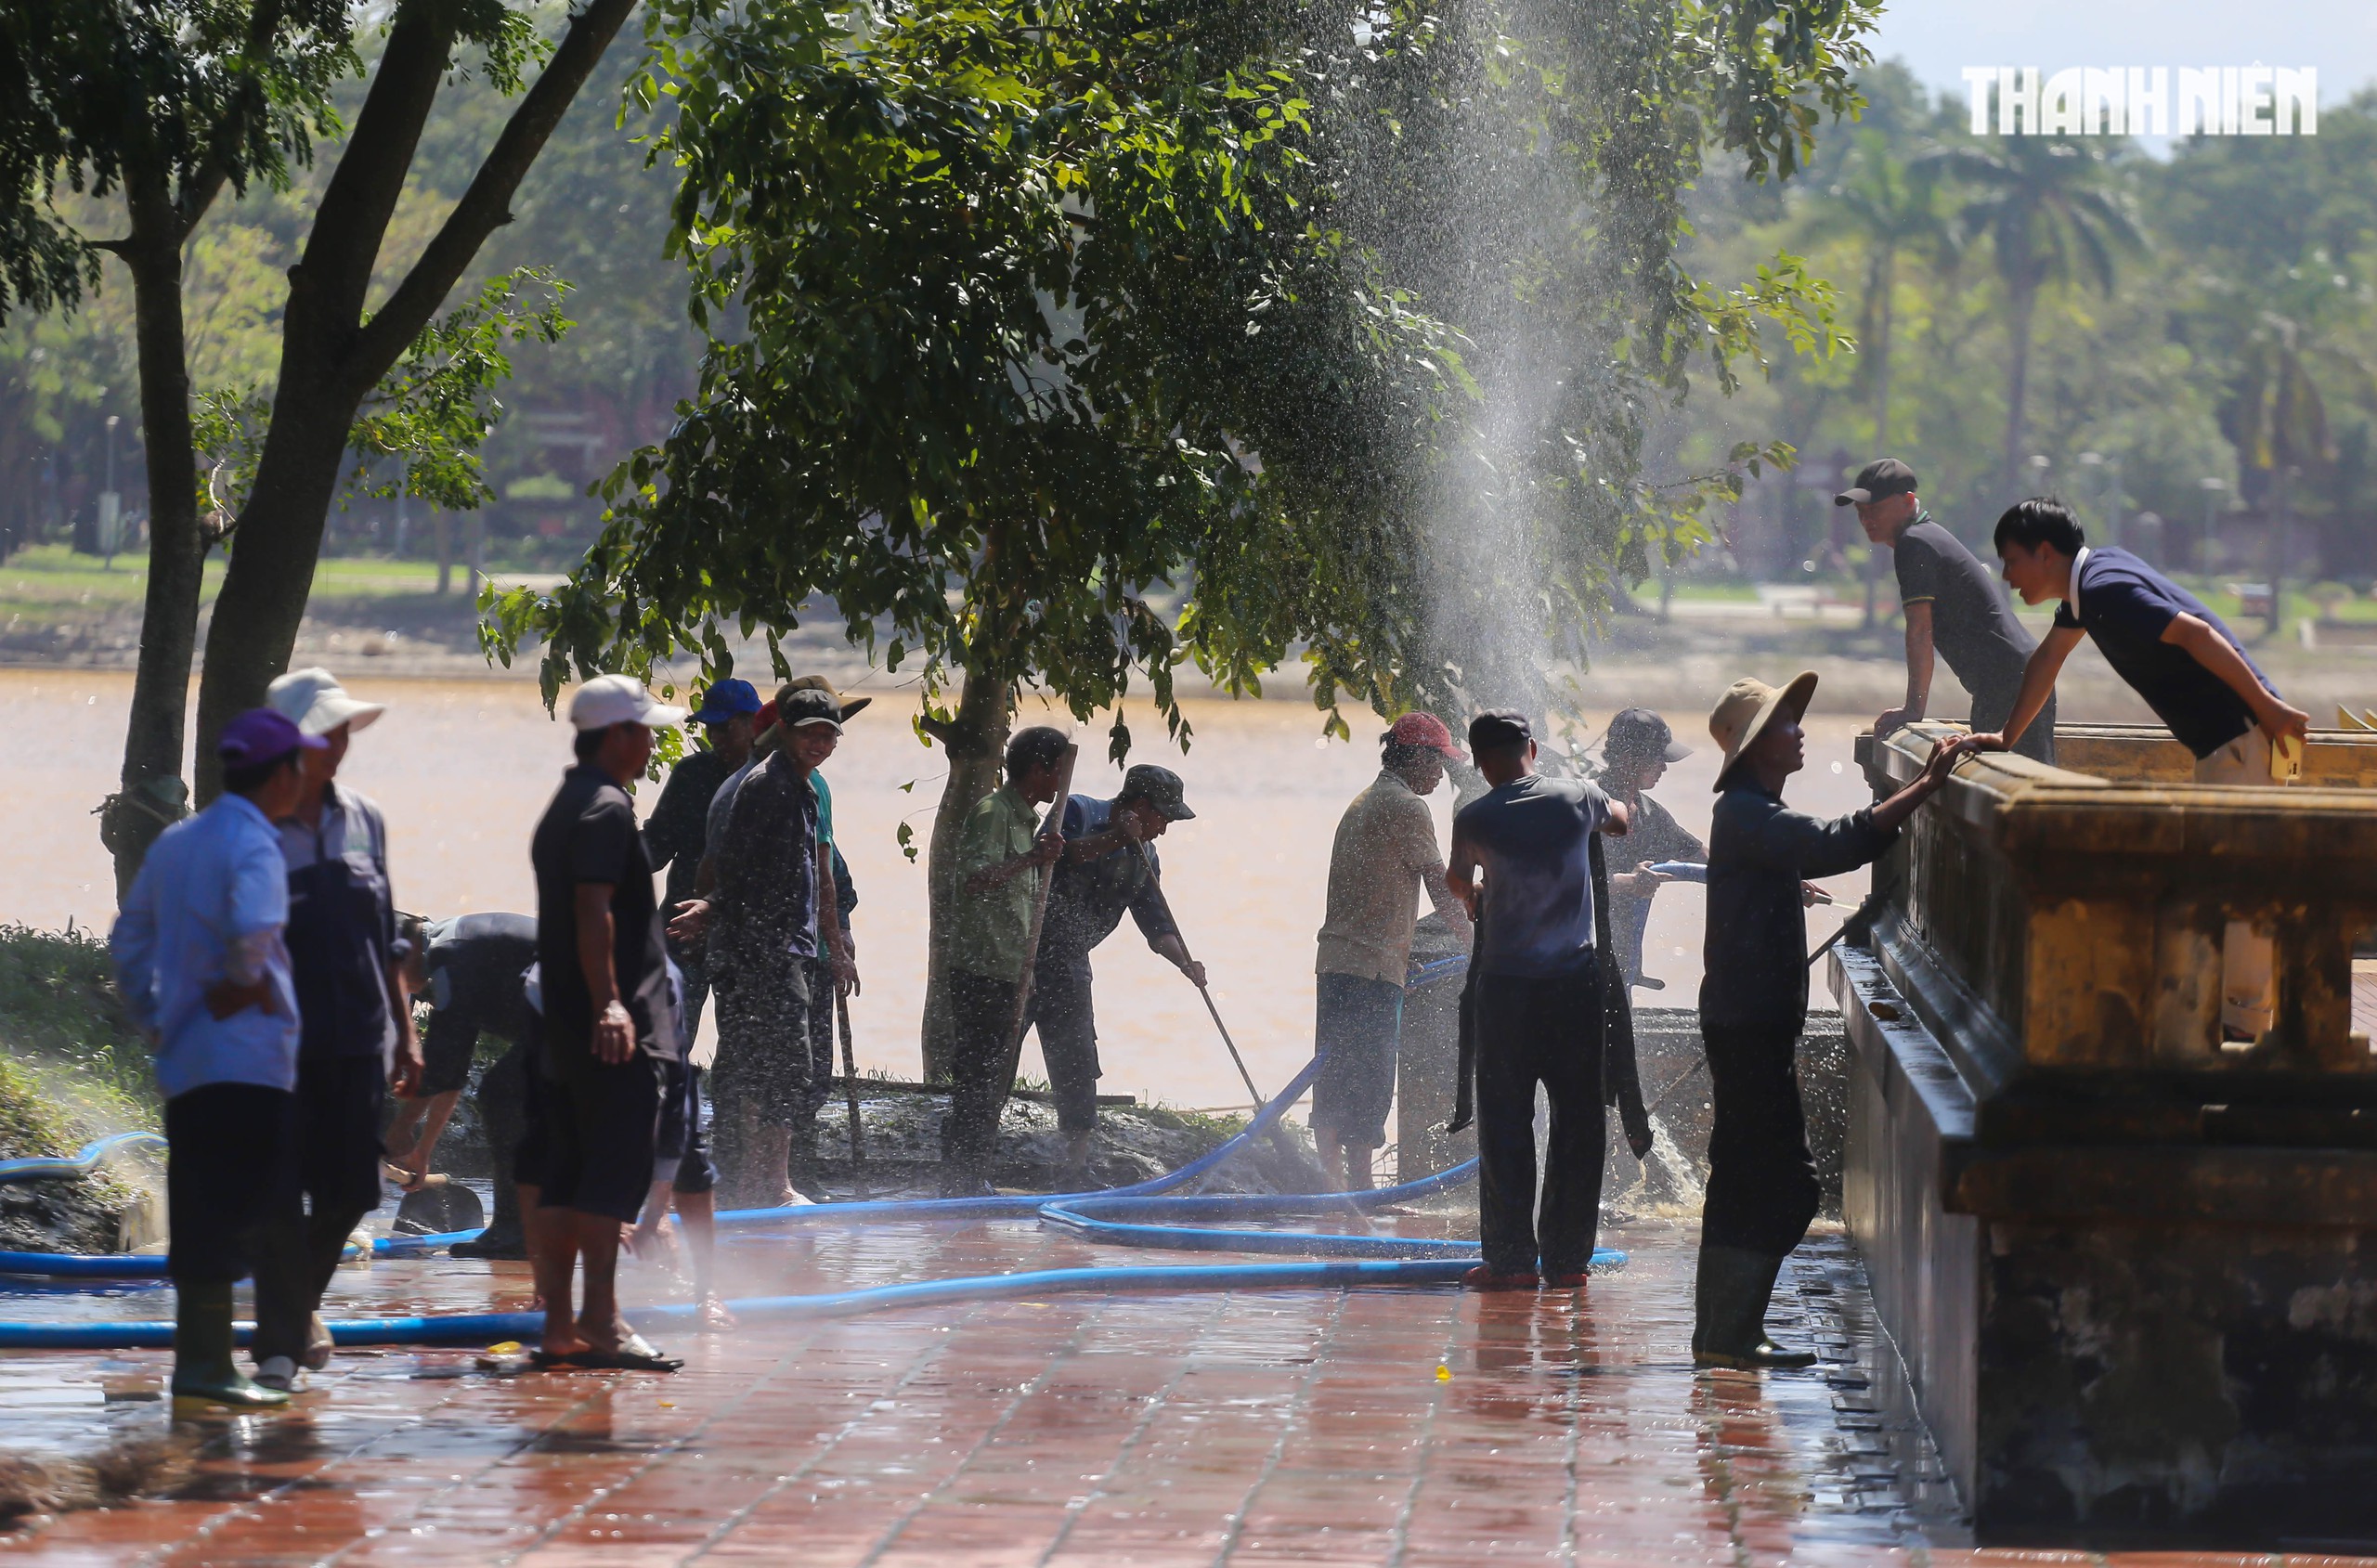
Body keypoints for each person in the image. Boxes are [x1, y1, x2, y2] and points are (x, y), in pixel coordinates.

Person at [1695, 672, 1967, 1368]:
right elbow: (1837, 841)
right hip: (1749, 1022)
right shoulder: (1749, 811)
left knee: (1743, 1177)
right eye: (1788, 722)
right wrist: (1926, 787)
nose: (1800, 730)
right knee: (1785, 1185)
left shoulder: (1750, 813)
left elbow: (1808, 851)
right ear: (1759, 747)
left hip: (1748, 1018)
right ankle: (1729, 1331)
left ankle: (1724, 1332)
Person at [1973, 498, 2311, 1040]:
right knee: (2222, 878)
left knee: (2238, 883)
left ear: (2044, 552)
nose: (2007, 576)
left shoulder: (2105, 591)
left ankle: (2244, 1022)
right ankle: (2236, 1014)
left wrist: (2269, 710)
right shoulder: (2093, 586)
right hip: (2228, 742)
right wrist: (2006, 737)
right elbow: (2048, 659)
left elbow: (2196, 635)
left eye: (2011, 561)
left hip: (2242, 737)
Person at [110, 709, 325, 1409]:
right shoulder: (258, 845)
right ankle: (245, 1356)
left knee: (201, 1205)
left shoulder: (176, 843)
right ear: (282, 774)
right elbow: (255, 938)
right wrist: (233, 995)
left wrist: (156, 1015)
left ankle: (201, 1362)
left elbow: (130, 936)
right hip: (250, 1057)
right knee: (261, 1201)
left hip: (188, 1060)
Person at [247, 669, 422, 1393]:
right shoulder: (255, 824)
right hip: (277, 1039)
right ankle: (279, 1338)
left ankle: (294, 1309)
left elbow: (386, 936)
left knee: (354, 1189)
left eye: (345, 728)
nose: (341, 742)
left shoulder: (364, 817)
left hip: (359, 1034)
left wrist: (406, 1033)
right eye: (327, 731)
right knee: (281, 1189)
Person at [526, 673, 688, 1372]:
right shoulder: (606, 811)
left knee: (566, 1167)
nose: (652, 741)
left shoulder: (565, 804)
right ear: (618, 736)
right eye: (645, 729)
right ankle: (602, 1316)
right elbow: (595, 910)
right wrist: (613, 1003)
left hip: (565, 1021)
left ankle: (561, 1324)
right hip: (610, 1023)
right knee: (609, 1169)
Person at [1445, 709, 1633, 1291]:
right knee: (1579, 1123)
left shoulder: (1473, 817)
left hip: (1504, 992)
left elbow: (1457, 880)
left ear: (1479, 762)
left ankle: (1510, 1262)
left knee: (1505, 1124)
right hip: (1573, 991)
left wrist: (1477, 890)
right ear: (1532, 747)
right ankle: (1569, 1261)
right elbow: (1622, 824)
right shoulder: (1577, 797)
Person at [705, 687, 857, 1206]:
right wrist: (713, 907)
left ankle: (759, 1181)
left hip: (781, 944)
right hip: (761, 946)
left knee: (770, 1063)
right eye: (810, 732)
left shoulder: (800, 788)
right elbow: (734, 867)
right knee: (784, 1065)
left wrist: (834, 940)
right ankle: (773, 1184)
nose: (820, 743)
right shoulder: (766, 788)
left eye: (828, 734)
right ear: (785, 732)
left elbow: (821, 873)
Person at [1311, 713, 1474, 1189]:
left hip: (1341, 959)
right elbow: (1443, 890)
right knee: (1370, 1080)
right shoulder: (1407, 806)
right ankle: (1358, 1194)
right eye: (1439, 764)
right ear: (1418, 758)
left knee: (1335, 1075)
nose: (1442, 776)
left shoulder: (1365, 800)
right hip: (1373, 969)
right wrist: (1476, 946)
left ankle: (1334, 1190)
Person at [1035, 763, 1206, 1184]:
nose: (1164, 829)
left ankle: (1074, 1166)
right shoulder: (1075, 812)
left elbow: (1157, 926)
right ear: (1141, 807)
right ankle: (969, 1159)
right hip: (1022, 952)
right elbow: (1057, 856)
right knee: (998, 1056)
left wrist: (1185, 961)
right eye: (1163, 817)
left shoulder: (1145, 855)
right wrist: (1116, 838)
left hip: (1071, 959)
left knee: (1078, 1060)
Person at [1838, 459, 2057, 764]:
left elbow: (1919, 630)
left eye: (1874, 509)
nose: (1866, 518)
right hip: (2015, 678)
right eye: (1861, 512)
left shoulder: (1914, 543)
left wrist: (1913, 710)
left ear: (1908, 502)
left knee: (2016, 789)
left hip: (2009, 682)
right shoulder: (1925, 536)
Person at [941, 725, 1070, 1195]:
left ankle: (972, 1174)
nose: (1059, 784)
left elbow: (1020, 907)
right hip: (981, 971)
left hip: (1010, 971)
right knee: (977, 1080)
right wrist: (1031, 859)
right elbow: (974, 880)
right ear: (1037, 770)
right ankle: (959, 1179)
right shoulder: (994, 813)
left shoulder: (1024, 820)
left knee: (994, 1080)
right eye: (1057, 773)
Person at [390, 913, 540, 1259]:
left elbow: (443, 1059)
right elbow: (453, 1071)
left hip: (598, 1008)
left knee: (503, 1093)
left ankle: (514, 1232)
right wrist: (423, 1151)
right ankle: (525, 1226)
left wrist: (401, 1128)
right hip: (569, 1018)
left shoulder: (449, 954)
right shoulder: (453, 956)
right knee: (507, 1093)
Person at [642, 678, 762, 1040]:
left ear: (752, 723)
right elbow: (658, 844)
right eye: (711, 729)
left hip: (747, 928)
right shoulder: (691, 774)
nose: (717, 739)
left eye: (725, 728)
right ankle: (660, 1093)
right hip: (683, 925)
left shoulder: (775, 779)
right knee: (669, 1031)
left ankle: (739, 1096)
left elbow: (814, 857)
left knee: (746, 1040)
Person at [1590, 708, 1705, 994]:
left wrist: (1776, 884)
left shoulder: (1651, 816)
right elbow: (1562, 884)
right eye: (1658, 759)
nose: (1664, 767)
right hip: (1576, 966)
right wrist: (1629, 882)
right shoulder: (1584, 806)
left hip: (1621, 969)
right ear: (1629, 758)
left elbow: (1709, 860)